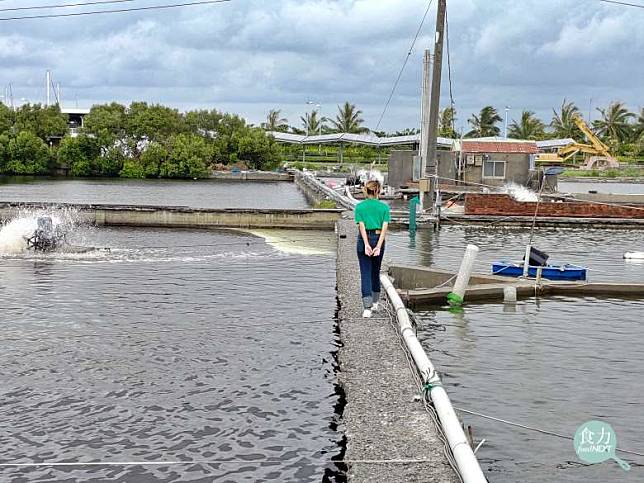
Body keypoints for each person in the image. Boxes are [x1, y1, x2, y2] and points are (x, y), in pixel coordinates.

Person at [354, 179, 390, 318]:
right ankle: (375, 302)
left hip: (364, 240)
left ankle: (367, 308)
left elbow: (361, 226)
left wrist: (367, 244)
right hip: (378, 238)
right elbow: (384, 228)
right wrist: (378, 246)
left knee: (365, 273)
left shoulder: (360, 207)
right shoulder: (384, 207)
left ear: (366, 190)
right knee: (376, 271)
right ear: (378, 191)